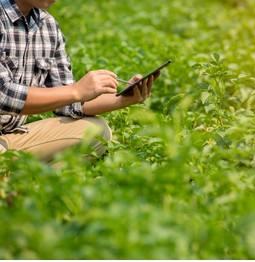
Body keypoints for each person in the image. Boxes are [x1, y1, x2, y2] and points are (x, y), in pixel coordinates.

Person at [0, 0, 159, 166]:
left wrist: (122, 99)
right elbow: (3, 95)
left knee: (96, 131)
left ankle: (31, 188)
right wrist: (76, 90)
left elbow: (68, 103)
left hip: (10, 137)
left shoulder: (48, 26)